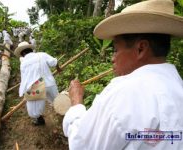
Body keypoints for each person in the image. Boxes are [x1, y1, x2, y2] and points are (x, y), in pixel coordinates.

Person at [63, 0, 183, 149]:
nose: (113, 58)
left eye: (116, 50)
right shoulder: (177, 85)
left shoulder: (125, 93)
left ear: (141, 48)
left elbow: (82, 145)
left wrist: (76, 103)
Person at [14, 41, 61, 125]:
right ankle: (64, 114)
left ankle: (39, 120)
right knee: (57, 100)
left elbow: (24, 79)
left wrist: (25, 91)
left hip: (36, 87)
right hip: (49, 84)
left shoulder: (23, 63)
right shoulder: (42, 54)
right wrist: (58, 68)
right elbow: (54, 62)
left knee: (34, 109)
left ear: (23, 52)